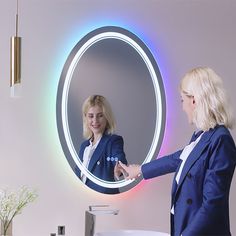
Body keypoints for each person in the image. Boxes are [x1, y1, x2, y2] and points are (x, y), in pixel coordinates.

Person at [118, 67, 236, 236]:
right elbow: (176, 159)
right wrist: (140, 170)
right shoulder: (201, 137)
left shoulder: (221, 140)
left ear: (194, 100)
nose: (182, 107)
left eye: (182, 100)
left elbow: (212, 205)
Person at [77, 95, 127, 194]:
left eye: (100, 116)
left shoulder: (113, 141)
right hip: (83, 200)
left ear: (107, 117)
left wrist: (120, 166)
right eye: (91, 116)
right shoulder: (84, 146)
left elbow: (118, 157)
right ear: (86, 117)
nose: (95, 120)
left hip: (104, 202)